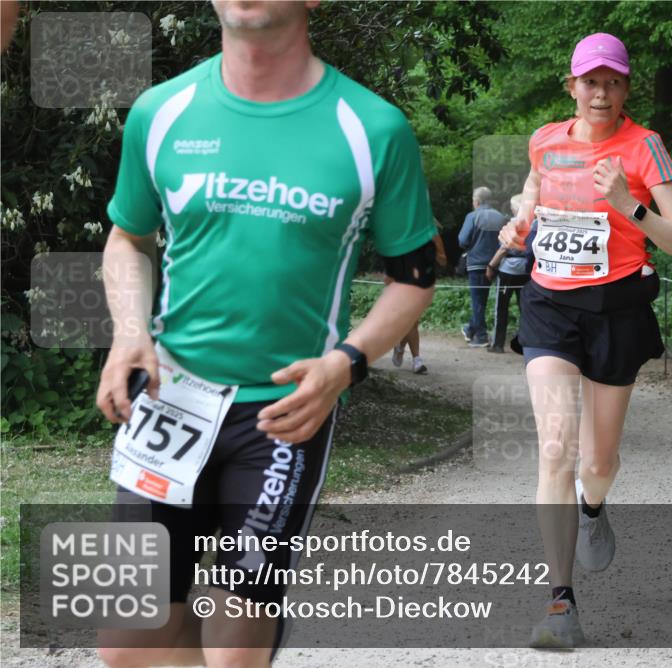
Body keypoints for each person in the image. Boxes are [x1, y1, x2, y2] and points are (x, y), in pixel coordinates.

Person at [95, 2, 437, 666]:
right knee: (124, 646)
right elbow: (127, 237)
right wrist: (129, 331)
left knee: (234, 647)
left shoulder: (373, 127)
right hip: (170, 398)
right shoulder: (160, 111)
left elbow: (415, 278)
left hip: (283, 415)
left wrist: (345, 364)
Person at [498, 32, 672, 649]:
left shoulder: (646, 149)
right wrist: (520, 219)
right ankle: (561, 604)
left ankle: (593, 505)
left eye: (613, 81)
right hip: (549, 304)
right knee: (555, 448)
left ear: (626, 88)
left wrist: (627, 206)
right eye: (591, 81)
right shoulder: (546, 140)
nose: (601, 92)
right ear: (572, 86)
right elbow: (534, 192)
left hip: (617, 308)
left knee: (596, 462)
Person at [391, 229, 447, 373]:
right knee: (412, 320)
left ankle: (400, 346)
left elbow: (443, 260)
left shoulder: (432, 235)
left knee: (412, 320)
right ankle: (417, 360)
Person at [484, 193, 533, 353]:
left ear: (514, 209)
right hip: (526, 271)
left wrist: (491, 266)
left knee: (501, 308)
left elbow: (504, 248)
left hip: (508, 271)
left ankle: (497, 344)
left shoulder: (512, 225)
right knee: (524, 308)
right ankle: (525, 344)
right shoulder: (534, 224)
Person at [457, 186, 505, 347]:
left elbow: (463, 241)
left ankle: (481, 337)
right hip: (496, 264)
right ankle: (470, 329)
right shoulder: (500, 217)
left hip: (476, 264)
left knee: (478, 301)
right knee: (481, 301)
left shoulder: (472, 216)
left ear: (476, 201)